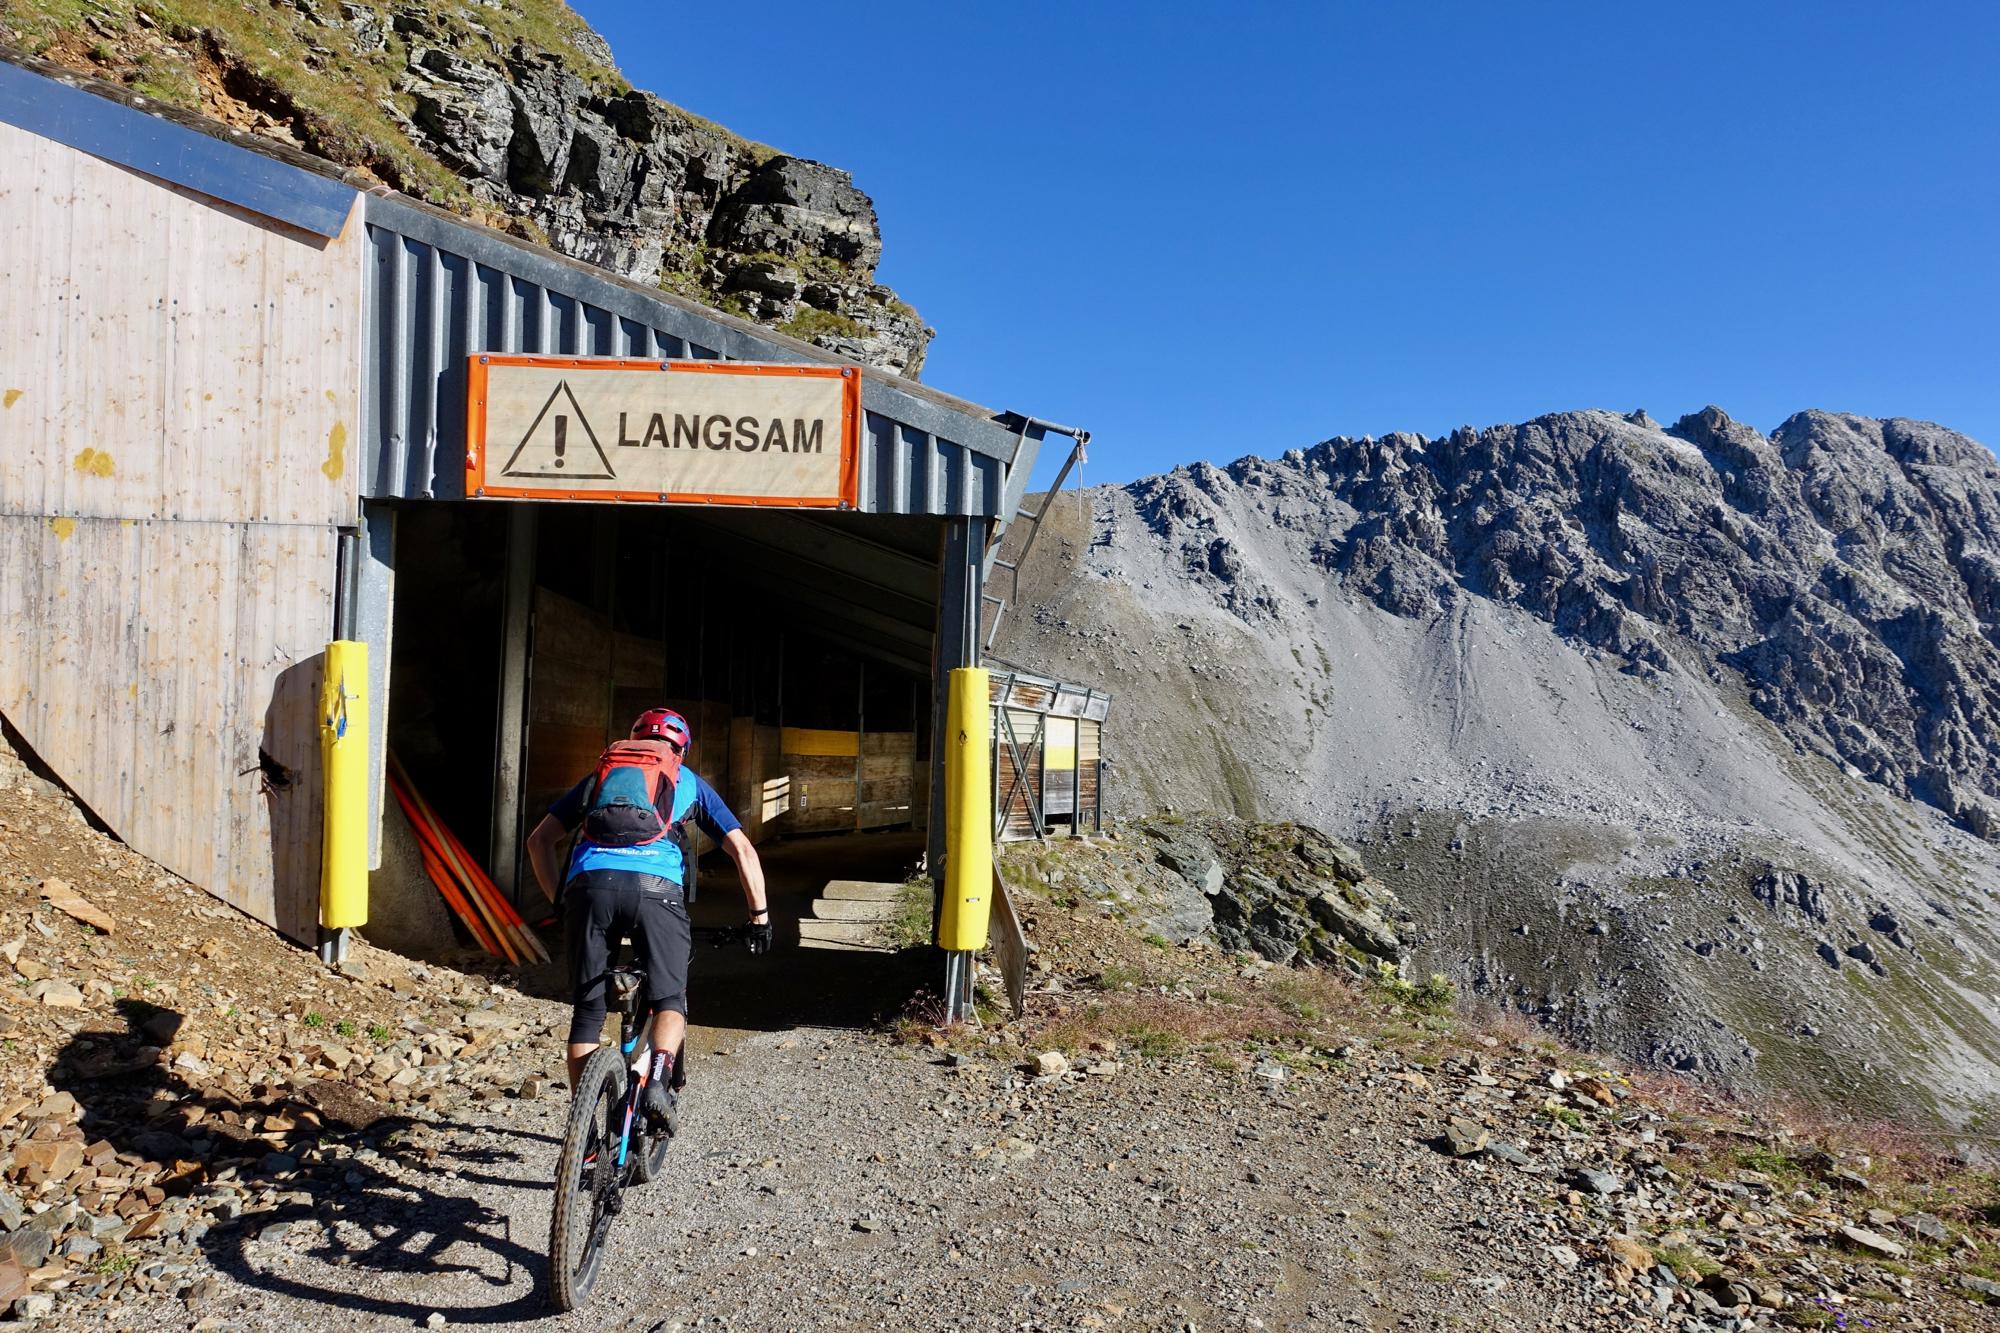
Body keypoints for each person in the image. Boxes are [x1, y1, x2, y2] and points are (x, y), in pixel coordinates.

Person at [526, 707, 770, 1127]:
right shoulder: (688, 781)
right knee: (669, 997)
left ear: (634, 739)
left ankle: (586, 1134)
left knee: (587, 1012)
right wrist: (760, 917)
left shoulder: (599, 780)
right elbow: (743, 851)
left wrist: (561, 904)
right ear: (681, 748)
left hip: (589, 887)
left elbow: (539, 841)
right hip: (656, 893)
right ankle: (657, 1080)